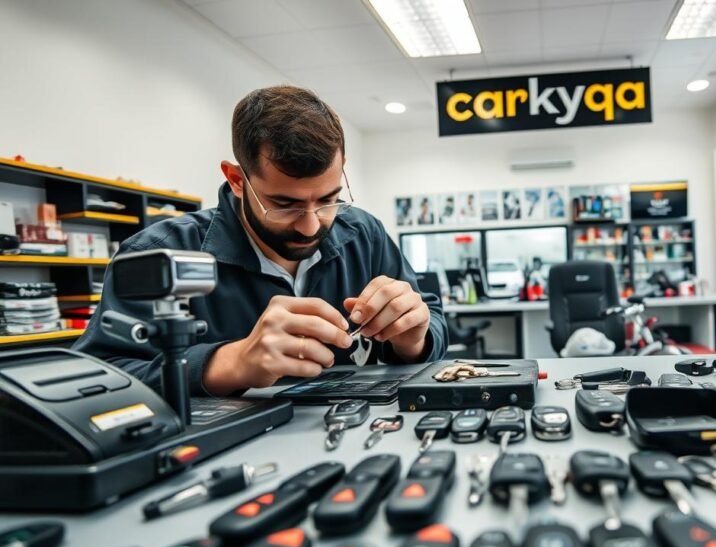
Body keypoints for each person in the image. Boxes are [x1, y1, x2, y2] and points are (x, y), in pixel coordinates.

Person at [74, 86, 447, 396]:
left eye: (329, 199)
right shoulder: (156, 255)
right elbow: (95, 381)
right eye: (284, 204)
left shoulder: (363, 235)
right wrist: (228, 363)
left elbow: (433, 322)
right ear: (237, 180)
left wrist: (414, 339)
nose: (310, 226)